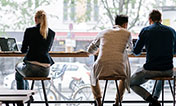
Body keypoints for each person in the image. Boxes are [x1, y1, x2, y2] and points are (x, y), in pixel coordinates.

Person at [130, 9, 176, 106]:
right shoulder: (172, 31)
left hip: (150, 70)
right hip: (168, 70)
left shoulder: (146, 30)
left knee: (130, 83)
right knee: (162, 73)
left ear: (149, 19)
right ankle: (155, 97)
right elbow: (175, 51)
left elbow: (136, 52)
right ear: (161, 20)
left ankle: (151, 99)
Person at [87, 15, 132, 106]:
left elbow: (90, 50)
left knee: (92, 75)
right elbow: (131, 51)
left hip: (102, 67)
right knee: (125, 75)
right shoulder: (127, 33)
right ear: (125, 24)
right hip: (119, 68)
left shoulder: (103, 32)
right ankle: (117, 101)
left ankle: (99, 101)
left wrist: (97, 51)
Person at [15, 10, 55, 90]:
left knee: (18, 69)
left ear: (35, 19)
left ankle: (23, 97)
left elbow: (23, 50)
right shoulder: (51, 33)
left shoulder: (29, 31)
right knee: (22, 72)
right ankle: (27, 95)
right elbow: (48, 49)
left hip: (31, 69)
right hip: (45, 71)